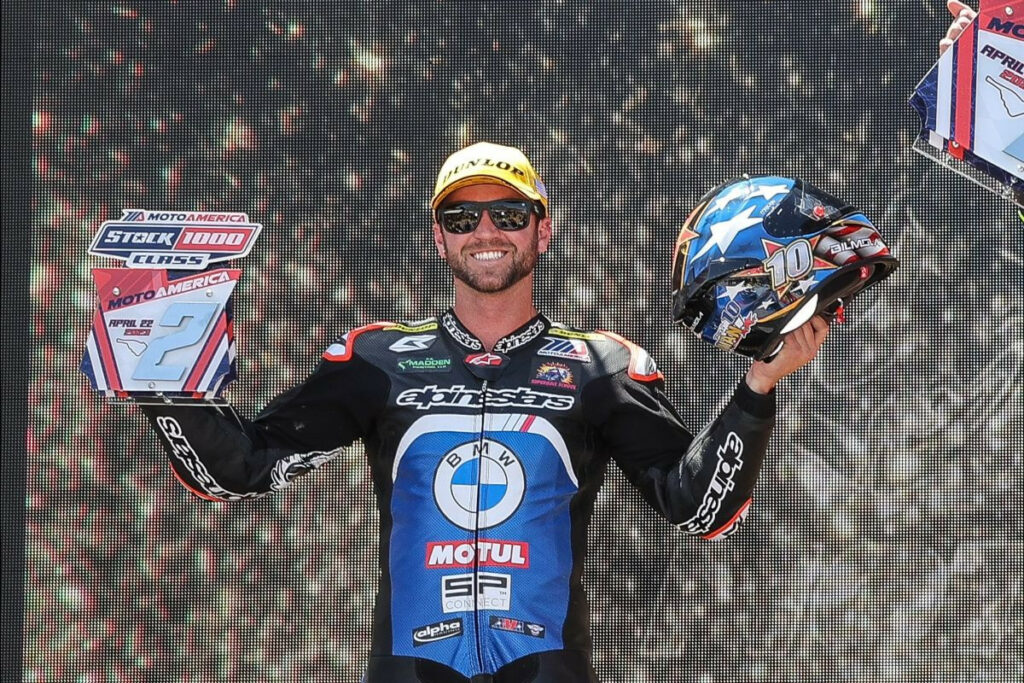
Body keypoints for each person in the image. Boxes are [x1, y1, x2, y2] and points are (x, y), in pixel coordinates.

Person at [139, 141, 828, 683]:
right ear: (439, 237)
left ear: (542, 230)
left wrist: (759, 385)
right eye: (462, 217)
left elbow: (697, 507)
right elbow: (235, 467)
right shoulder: (378, 359)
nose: (486, 230)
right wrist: (161, 375)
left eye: (509, 213)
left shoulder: (601, 365)